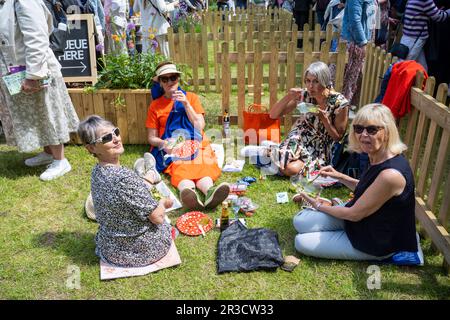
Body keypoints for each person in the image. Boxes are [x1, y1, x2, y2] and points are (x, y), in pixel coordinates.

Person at [293, 104, 422, 263]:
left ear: (387, 132)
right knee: (300, 222)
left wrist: (319, 206)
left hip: (376, 240)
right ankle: (337, 213)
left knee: (301, 241)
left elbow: (354, 214)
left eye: (372, 130)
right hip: (364, 221)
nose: (363, 135)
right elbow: (368, 188)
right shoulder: (377, 155)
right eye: (359, 129)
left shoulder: (390, 175)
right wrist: (339, 176)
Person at [77, 115, 173, 267]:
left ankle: (148, 176)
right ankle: (150, 174)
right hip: (139, 251)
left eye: (116, 132)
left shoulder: (97, 171)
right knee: (164, 221)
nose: (116, 139)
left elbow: (126, 193)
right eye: (107, 138)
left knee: (138, 188)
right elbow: (157, 218)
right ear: (91, 148)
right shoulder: (124, 178)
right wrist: (163, 203)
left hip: (110, 248)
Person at [0, 0, 79, 181]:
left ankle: (61, 161)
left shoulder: (24, 2)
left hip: (36, 70)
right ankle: (48, 153)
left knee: (46, 112)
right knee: (36, 113)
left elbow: (37, 38)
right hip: (16, 70)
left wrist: (33, 74)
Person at [146, 62, 229, 210]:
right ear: (160, 83)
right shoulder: (155, 105)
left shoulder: (191, 98)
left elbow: (199, 125)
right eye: (165, 79)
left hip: (195, 139)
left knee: (201, 162)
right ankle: (189, 193)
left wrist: (186, 105)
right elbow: (151, 137)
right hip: (173, 144)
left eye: (173, 78)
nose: (170, 82)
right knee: (182, 164)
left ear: (178, 79)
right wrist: (165, 144)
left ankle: (210, 192)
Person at [242, 62, 349, 177]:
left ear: (325, 81)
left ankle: (271, 151)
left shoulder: (339, 103)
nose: (310, 86)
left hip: (320, 147)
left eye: (315, 81)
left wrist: (324, 119)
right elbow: (273, 115)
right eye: (308, 81)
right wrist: (289, 96)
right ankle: (266, 152)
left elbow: (338, 137)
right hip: (299, 137)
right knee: (286, 156)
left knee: (291, 170)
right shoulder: (305, 95)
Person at [340, 0, 377, 105]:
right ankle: (340, 107)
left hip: (363, 41)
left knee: (355, 78)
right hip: (353, 42)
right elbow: (355, 21)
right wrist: (363, 43)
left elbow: (372, 20)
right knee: (346, 78)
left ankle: (348, 106)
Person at [399, 0, 449, 72]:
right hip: (415, 40)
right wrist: (448, 12)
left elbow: (418, 14)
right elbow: (439, 17)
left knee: (422, 68)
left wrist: (434, 12)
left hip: (408, 36)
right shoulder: (426, 1)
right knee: (403, 68)